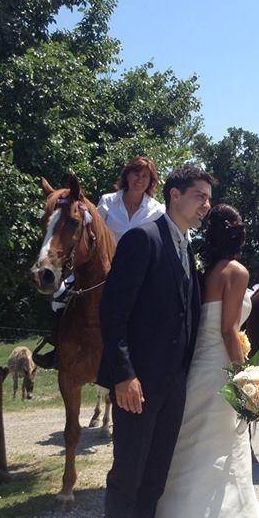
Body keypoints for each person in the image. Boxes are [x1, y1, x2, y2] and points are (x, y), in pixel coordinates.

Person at [95, 165, 212, 518]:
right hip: (137, 386)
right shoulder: (143, 239)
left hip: (173, 387)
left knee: (154, 480)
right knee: (127, 478)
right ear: (175, 195)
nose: (205, 205)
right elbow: (113, 313)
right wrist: (123, 374)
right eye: (199, 196)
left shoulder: (185, 248)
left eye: (206, 198)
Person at [151, 204, 259, 518]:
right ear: (238, 234)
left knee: (193, 452)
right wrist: (245, 379)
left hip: (196, 371)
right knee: (221, 456)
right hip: (219, 368)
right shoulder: (236, 273)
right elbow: (228, 330)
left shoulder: (204, 274)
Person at [33, 156, 164, 369]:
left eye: (145, 176)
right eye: (136, 174)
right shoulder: (108, 201)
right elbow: (91, 227)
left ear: (151, 181)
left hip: (140, 273)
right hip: (105, 267)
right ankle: (58, 345)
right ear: (127, 175)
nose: (140, 179)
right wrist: (82, 213)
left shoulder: (157, 210)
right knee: (60, 293)